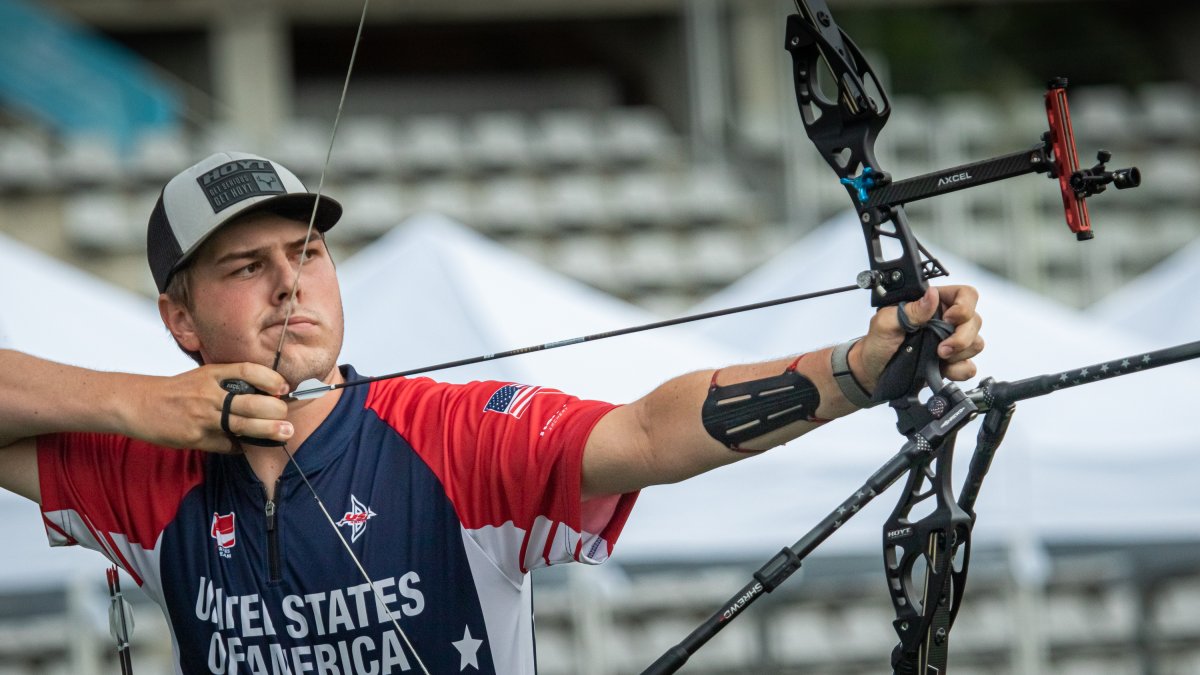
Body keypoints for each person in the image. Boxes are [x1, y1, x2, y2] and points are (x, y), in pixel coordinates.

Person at [0, 151, 983, 674]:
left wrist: (859, 370)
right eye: (245, 268)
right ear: (180, 319)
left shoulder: (445, 435)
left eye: (307, 254)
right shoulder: (143, 466)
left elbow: (648, 430)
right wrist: (142, 405)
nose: (289, 284)